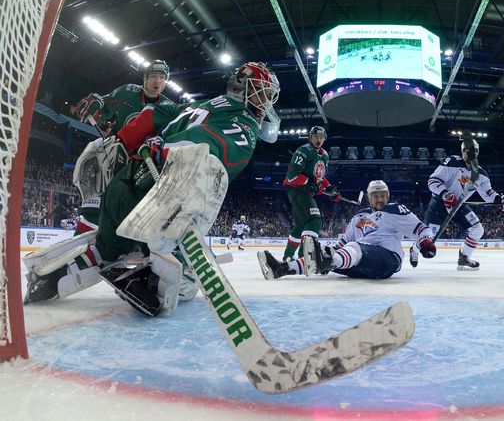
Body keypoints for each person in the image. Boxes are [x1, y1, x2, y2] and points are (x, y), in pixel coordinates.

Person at [24, 62, 281, 315]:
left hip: (125, 181)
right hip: (156, 195)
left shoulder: (203, 105)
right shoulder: (244, 125)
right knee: (187, 281)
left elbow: (154, 114)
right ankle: (150, 280)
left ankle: (52, 280)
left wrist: (123, 140)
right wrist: (169, 152)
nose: (267, 101)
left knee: (106, 249)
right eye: (265, 93)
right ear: (247, 88)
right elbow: (213, 152)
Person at [71, 60, 176, 234]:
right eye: (152, 77)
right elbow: (102, 107)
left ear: (166, 81)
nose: (157, 81)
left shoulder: (168, 107)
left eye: (161, 77)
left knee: (136, 211)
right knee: (95, 202)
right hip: (113, 156)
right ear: (144, 78)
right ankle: (81, 239)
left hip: (141, 166)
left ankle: (131, 248)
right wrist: (96, 103)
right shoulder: (127, 92)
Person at [257, 180, 436, 279]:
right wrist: (331, 252)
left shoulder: (395, 210)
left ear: (388, 196)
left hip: (387, 261)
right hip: (359, 264)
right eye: (375, 196)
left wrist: (426, 242)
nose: (380, 199)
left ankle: (329, 262)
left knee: (349, 250)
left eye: (383, 195)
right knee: (327, 253)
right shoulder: (359, 216)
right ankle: (282, 269)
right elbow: (342, 244)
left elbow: (421, 228)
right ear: (369, 197)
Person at [422, 139, 504, 270]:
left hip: (458, 205)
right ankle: (414, 250)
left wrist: (499, 199)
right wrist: (445, 194)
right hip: (440, 203)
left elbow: (488, 192)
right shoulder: (452, 162)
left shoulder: (481, 174)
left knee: (477, 229)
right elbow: (432, 181)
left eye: (474, 150)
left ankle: (464, 258)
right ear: (463, 151)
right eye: (468, 150)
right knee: (427, 236)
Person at [281, 126, 341, 260]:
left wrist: (330, 188)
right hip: (297, 190)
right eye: (315, 137)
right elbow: (292, 175)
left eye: (321, 137)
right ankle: (305, 256)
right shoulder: (303, 151)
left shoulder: (325, 155)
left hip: (305, 192)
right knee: (314, 220)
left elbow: (320, 177)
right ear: (310, 137)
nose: (318, 139)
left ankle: (288, 256)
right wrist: (310, 183)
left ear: (324, 138)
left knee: (300, 226)